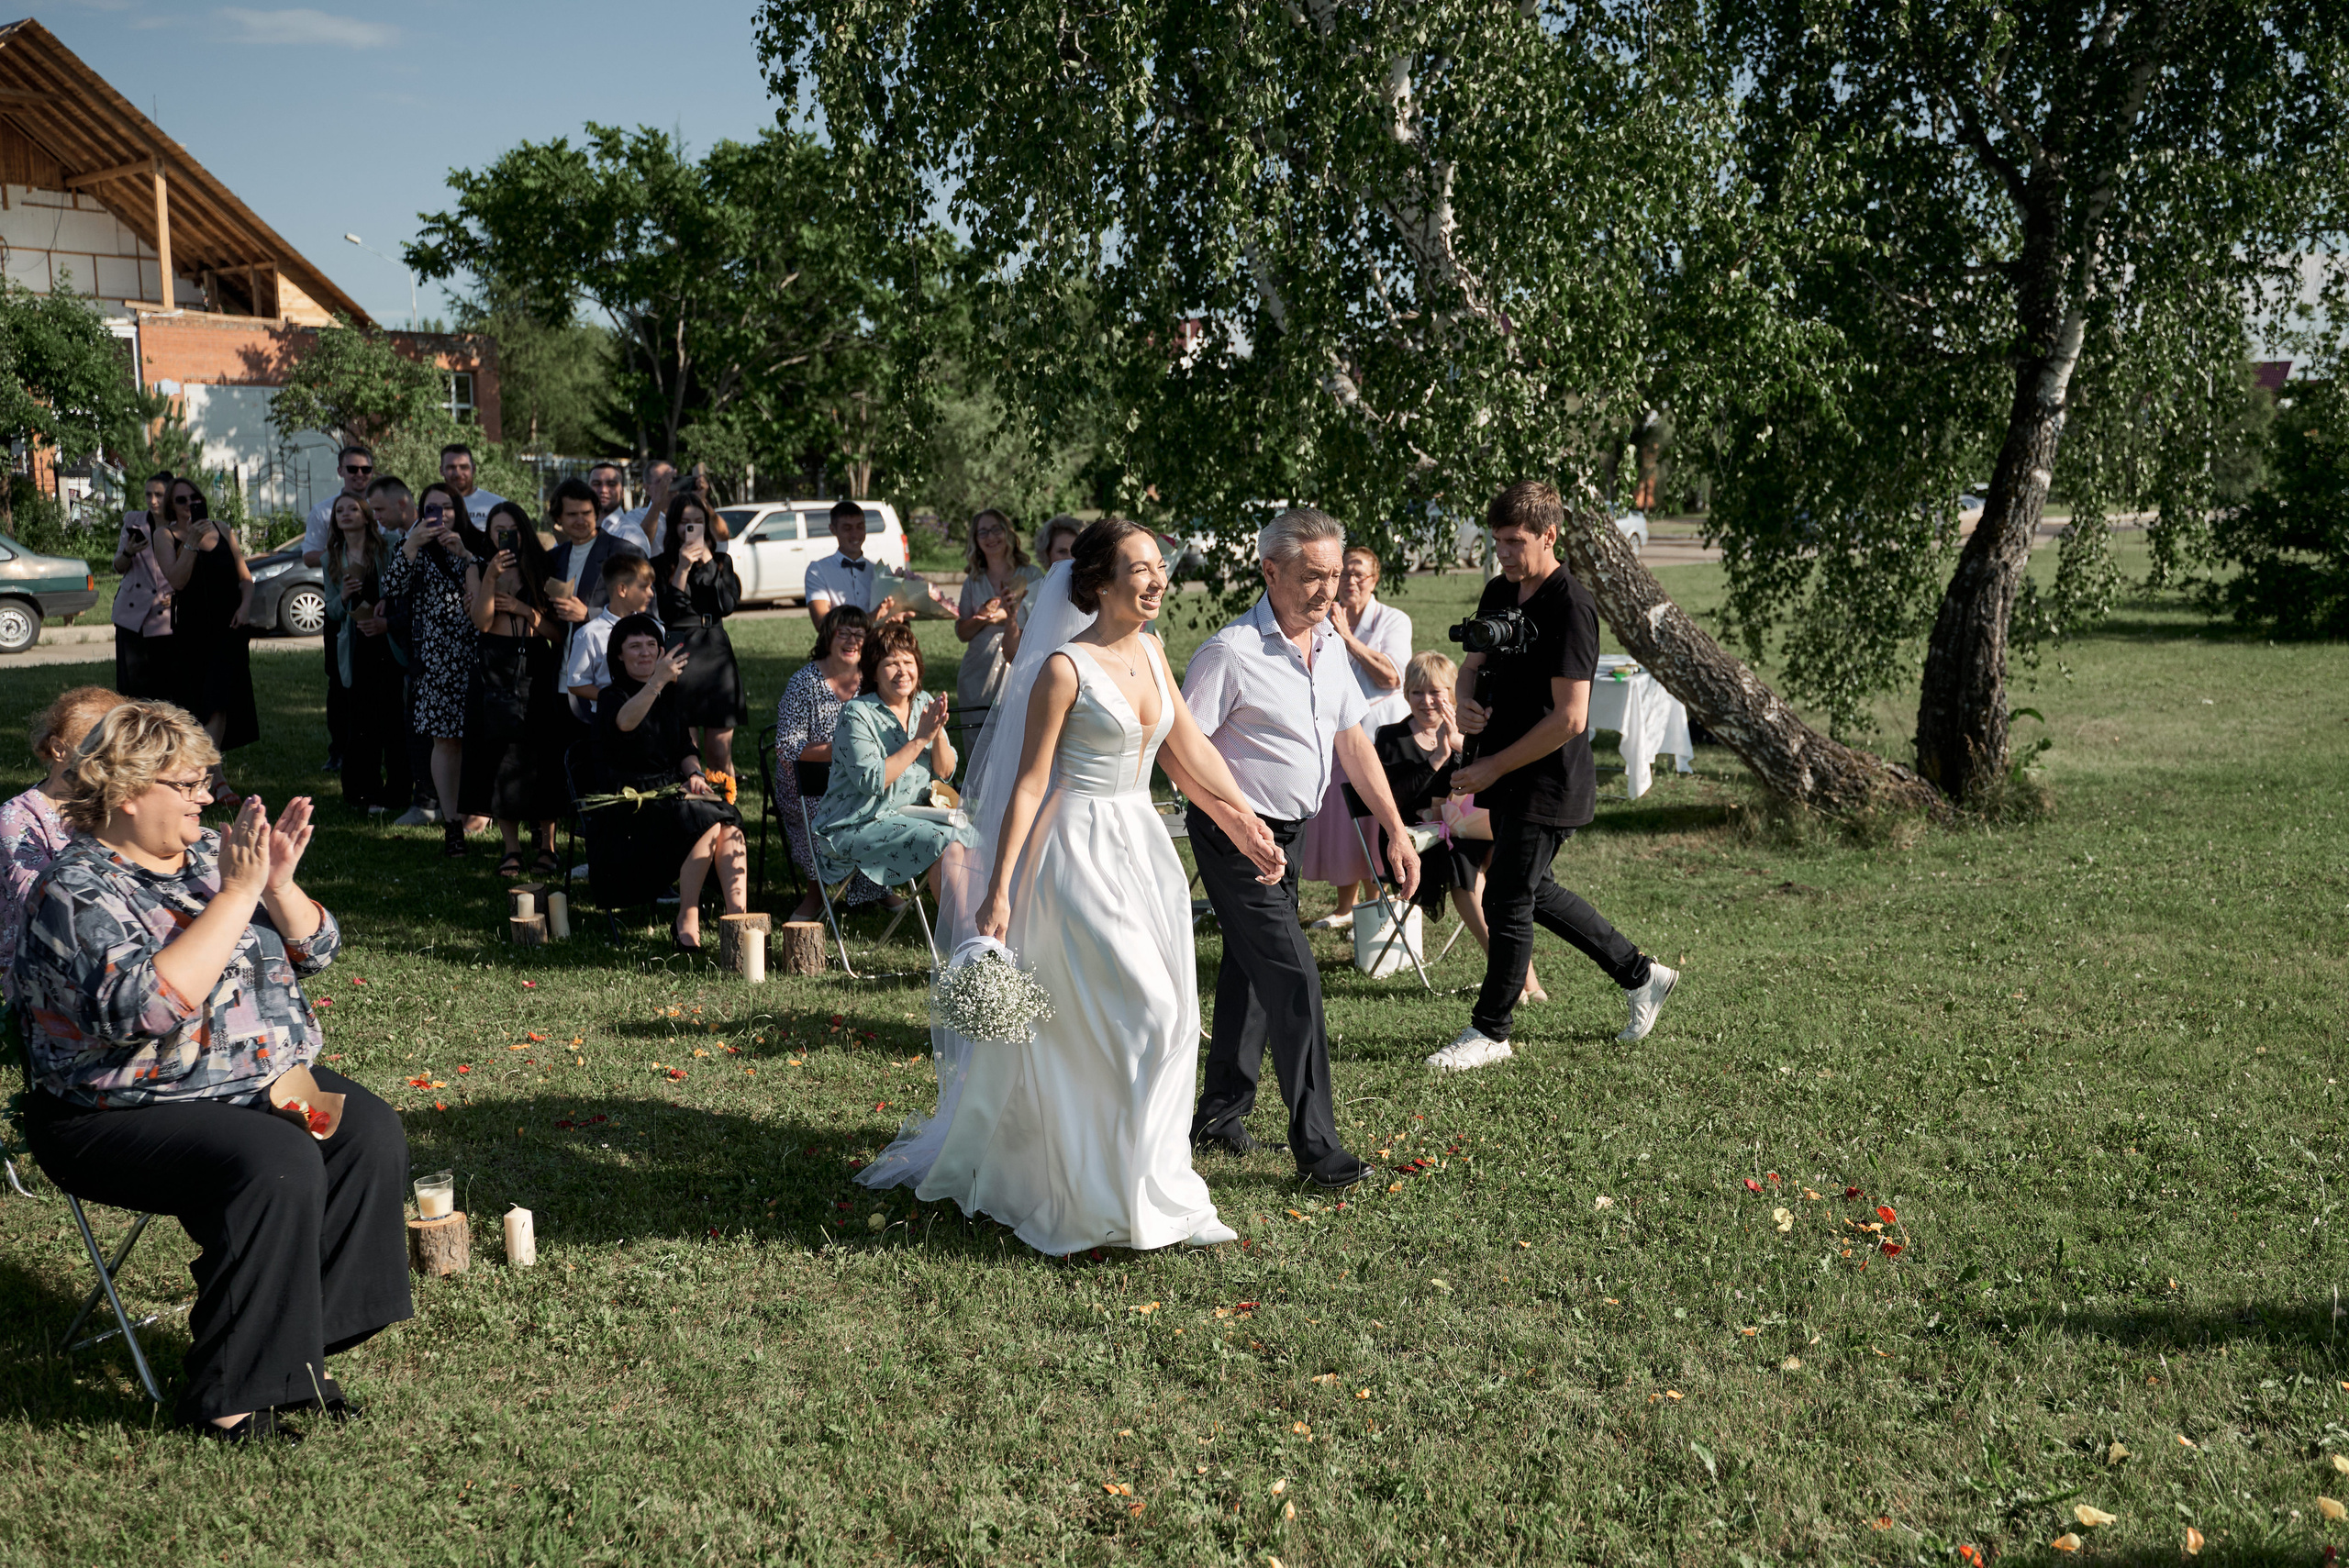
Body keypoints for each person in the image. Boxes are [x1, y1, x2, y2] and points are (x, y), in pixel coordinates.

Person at [859, 522, 1279, 1252]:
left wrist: (1241, 816)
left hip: (1140, 850)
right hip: (1076, 854)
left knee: (1162, 1017)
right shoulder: (1065, 668)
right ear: (1097, 583)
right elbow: (1027, 785)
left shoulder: (1151, 651)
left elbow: (1187, 752)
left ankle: (1141, 1185)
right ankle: (1092, 1193)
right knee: (1146, 1012)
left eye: (1159, 568)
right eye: (1139, 569)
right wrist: (999, 890)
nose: (1156, 581)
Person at [14, 702, 411, 1441]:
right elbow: (148, 1007)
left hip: (249, 1083)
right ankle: (227, 1397)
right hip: (112, 1112)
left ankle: (296, 1355)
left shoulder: (210, 860)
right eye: (189, 782)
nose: (207, 795)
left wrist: (280, 885)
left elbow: (318, 948)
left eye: (208, 779)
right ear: (127, 791)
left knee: (367, 1132)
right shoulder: (76, 890)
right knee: (277, 1160)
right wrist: (235, 896)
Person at [1181, 506, 1420, 1190]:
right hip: (1234, 832)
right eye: (1313, 576)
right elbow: (1182, 753)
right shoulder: (1230, 653)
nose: (1329, 590)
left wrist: (1397, 830)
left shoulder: (1332, 645)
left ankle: (1219, 1115)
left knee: (1252, 967)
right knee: (1293, 977)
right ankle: (1319, 1149)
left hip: (1287, 831)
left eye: (1337, 575)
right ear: (1270, 570)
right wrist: (1237, 824)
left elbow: (1352, 740)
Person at [1429, 481, 1678, 1073]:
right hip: (1507, 769)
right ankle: (1642, 975)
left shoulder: (1572, 606)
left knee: (1512, 894)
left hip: (1549, 777)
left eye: (1515, 542)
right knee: (1531, 889)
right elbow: (1471, 668)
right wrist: (1464, 704)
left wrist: (1490, 764)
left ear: (1549, 534)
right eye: (1497, 542)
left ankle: (1491, 1031)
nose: (1504, 554)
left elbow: (1571, 718)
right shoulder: (1499, 590)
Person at [1373, 651, 1543, 1002]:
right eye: (1417, 692)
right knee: (1462, 869)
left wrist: (1459, 746)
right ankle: (1518, 982)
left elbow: (1492, 784)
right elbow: (1391, 799)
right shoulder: (1390, 737)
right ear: (1406, 694)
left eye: (1436, 692)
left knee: (1508, 863)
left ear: (1452, 695)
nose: (1427, 701)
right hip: (1416, 844)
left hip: (1474, 832)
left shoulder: (1472, 735)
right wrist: (1437, 758)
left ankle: (1523, 981)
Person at [587, 614, 750, 948]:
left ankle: (739, 922)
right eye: (635, 646)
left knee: (727, 821)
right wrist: (657, 683)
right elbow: (626, 723)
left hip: (673, 789)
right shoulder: (612, 697)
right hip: (631, 801)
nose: (645, 653)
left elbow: (685, 749)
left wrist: (694, 773)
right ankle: (686, 918)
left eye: (651, 645)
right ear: (619, 654)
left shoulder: (672, 697)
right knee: (704, 820)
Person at [808, 621, 973, 895]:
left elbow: (944, 773)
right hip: (856, 824)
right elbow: (873, 781)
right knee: (944, 839)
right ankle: (964, 934)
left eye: (908, 662)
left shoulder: (923, 704)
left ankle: (977, 931)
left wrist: (938, 732)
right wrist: (920, 739)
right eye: (891, 663)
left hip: (911, 816)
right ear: (873, 670)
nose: (902, 671)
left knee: (974, 837)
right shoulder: (857, 714)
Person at [1297, 545, 1412, 929]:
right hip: (1336, 736)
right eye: (1342, 573)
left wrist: (1346, 636)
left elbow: (1392, 677)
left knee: (1374, 821)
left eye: (1358, 573)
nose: (1349, 581)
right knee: (1342, 822)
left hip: (1381, 738)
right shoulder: (1320, 618)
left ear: (1374, 580)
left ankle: (1376, 907)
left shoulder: (1393, 620)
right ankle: (1345, 909)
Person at [463, 500, 570, 879]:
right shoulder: (478, 569)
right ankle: (511, 849)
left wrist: (525, 611)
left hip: (537, 667)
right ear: (489, 534)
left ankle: (548, 845)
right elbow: (481, 620)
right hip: (494, 666)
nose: (504, 536)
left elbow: (558, 634)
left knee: (542, 756)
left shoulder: (544, 569)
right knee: (500, 756)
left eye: (511, 529)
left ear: (523, 531)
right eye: (497, 530)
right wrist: (491, 579)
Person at [0, 684, 128, 999]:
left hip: (109, 957)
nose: (112, 759)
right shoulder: (17, 821)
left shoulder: (114, 806)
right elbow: (47, 906)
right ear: (59, 749)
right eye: (98, 745)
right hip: (42, 978)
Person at [772, 605, 895, 921]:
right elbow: (786, 748)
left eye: (860, 633)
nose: (853, 640)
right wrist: (838, 749)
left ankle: (880, 883)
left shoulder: (872, 682)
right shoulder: (804, 683)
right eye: (845, 632)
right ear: (828, 636)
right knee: (822, 810)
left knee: (894, 796)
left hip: (863, 778)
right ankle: (816, 895)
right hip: (809, 784)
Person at [381, 483, 484, 857]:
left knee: (481, 736)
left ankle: (482, 812)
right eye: (431, 508)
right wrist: (411, 545)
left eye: (446, 507)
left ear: (458, 510)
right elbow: (390, 586)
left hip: (480, 653)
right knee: (445, 740)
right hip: (436, 658)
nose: (439, 515)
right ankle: (452, 823)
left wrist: (467, 554)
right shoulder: (413, 547)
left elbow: (497, 581)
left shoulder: (476, 543)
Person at [149, 474, 258, 807]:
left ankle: (205, 778)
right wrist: (192, 544)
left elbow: (246, 579)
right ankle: (215, 779)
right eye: (180, 501)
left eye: (193, 498)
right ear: (172, 507)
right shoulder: (165, 535)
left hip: (229, 629)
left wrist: (245, 608)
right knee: (201, 705)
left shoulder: (224, 529)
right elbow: (178, 581)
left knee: (220, 702)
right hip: (193, 633)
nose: (188, 506)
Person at [648, 491, 747, 801]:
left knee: (719, 750)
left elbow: (727, 605)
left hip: (714, 649)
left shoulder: (721, 561)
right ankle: (694, 812)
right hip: (680, 648)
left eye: (698, 522)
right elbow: (669, 611)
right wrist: (682, 568)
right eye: (684, 523)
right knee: (686, 748)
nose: (691, 528)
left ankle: (728, 811)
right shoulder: (662, 564)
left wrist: (708, 563)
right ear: (673, 526)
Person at [321, 494, 410, 813]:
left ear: (366, 515)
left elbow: (401, 591)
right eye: (339, 510)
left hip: (388, 642)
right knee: (360, 722)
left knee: (393, 720)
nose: (345, 514)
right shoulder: (331, 556)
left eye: (352, 509)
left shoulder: (386, 546)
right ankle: (364, 792)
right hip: (356, 646)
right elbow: (330, 611)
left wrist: (383, 620)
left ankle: (399, 791)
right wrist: (344, 595)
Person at [369, 477, 440, 830]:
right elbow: (399, 588)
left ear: (403, 504)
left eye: (380, 509)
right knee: (418, 727)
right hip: (415, 653)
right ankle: (426, 798)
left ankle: (428, 801)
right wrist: (389, 602)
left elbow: (429, 603)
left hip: (434, 653)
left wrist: (390, 621)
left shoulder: (428, 540)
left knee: (425, 730)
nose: (376, 517)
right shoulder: (406, 541)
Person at [300, 446, 377, 773]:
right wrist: (342, 552)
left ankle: (378, 747)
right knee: (339, 681)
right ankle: (340, 749)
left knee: (380, 681)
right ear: (340, 471)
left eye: (365, 469)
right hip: (341, 600)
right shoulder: (324, 512)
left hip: (377, 602)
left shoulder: (381, 504)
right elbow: (308, 555)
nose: (359, 475)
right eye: (352, 469)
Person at [542, 475, 643, 675]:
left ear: (596, 513)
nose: (581, 520)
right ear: (558, 518)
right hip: (561, 679)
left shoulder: (625, 554)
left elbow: (646, 613)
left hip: (605, 677)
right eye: (572, 514)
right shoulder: (553, 559)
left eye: (586, 513)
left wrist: (589, 614)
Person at [954, 508, 1045, 717]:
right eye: (983, 532)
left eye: (996, 530)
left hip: (1019, 665)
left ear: (1007, 533)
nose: (990, 537)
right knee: (977, 739)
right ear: (975, 540)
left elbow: (1043, 619)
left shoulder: (1031, 574)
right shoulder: (973, 580)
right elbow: (962, 633)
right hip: (978, 670)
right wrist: (983, 619)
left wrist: (1006, 616)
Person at [560, 553, 659, 724]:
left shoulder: (655, 628)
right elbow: (576, 683)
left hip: (653, 716)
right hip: (610, 720)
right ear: (622, 590)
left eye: (651, 587)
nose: (651, 593)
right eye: (644, 587)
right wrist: (614, 699)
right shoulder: (590, 634)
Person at [109, 471, 177, 702]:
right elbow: (118, 566)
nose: (153, 500)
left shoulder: (182, 526)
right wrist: (129, 551)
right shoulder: (133, 521)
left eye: (159, 494)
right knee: (132, 690)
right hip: (132, 615)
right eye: (148, 494)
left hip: (166, 615)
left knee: (166, 688)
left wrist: (178, 593)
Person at [599, 460, 671, 556]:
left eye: (672, 480)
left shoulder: (690, 512)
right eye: (661, 482)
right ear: (646, 488)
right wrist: (657, 504)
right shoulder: (635, 516)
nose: (667, 486)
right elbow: (641, 543)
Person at [439, 443, 506, 525]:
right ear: (441, 471)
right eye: (451, 467)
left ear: (473, 469)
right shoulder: (430, 506)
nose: (458, 474)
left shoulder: (497, 505)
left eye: (464, 467)